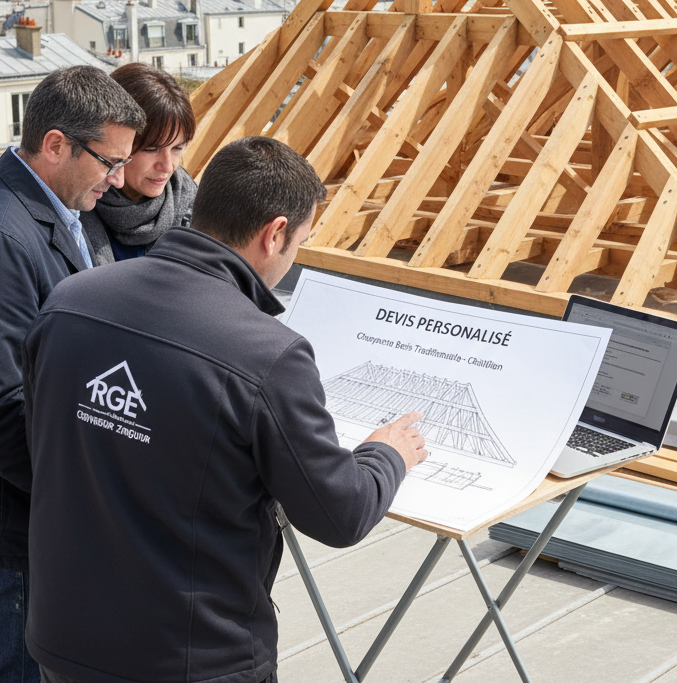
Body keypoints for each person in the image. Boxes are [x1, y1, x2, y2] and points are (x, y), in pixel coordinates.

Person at [22, 136, 428, 683]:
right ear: (275, 232)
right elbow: (340, 513)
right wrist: (387, 454)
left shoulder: (71, 301)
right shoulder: (266, 353)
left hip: (65, 643)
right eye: (300, 241)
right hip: (192, 658)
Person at [0, 65, 146, 683]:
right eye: (109, 161)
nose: (119, 178)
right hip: (14, 523)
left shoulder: (43, 211)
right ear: (55, 145)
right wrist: (84, 501)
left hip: (29, 512)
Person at [80, 62, 197, 264]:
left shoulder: (194, 210)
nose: (167, 166)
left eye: (177, 148)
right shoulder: (74, 208)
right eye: (151, 149)